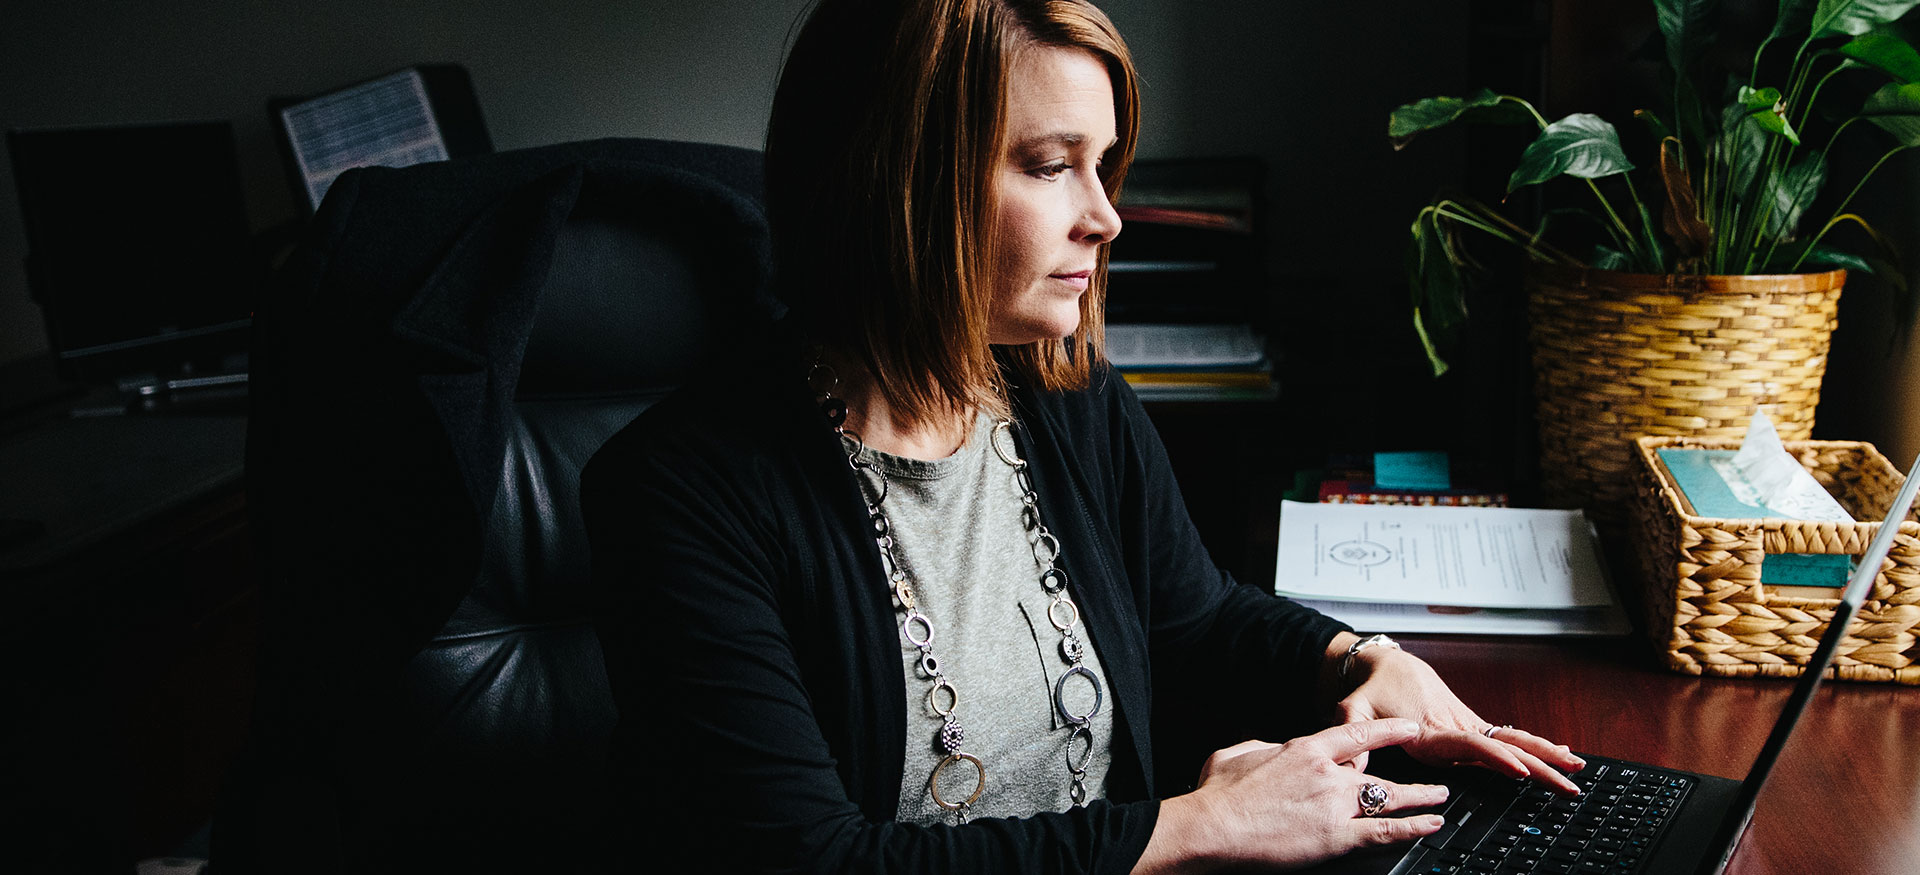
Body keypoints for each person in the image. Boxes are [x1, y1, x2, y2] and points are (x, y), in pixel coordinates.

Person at [581, 0, 1584, 871]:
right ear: (898, 183)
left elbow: (1193, 617)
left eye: (1102, 165)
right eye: (1052, 165)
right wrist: (1198, 826)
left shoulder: (1061, 392)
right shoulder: (679, 493)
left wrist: (1358, 658)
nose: (1105, 216)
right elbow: (807, 859)